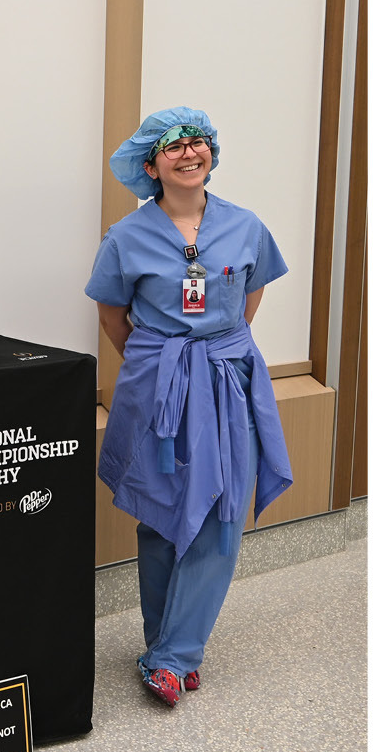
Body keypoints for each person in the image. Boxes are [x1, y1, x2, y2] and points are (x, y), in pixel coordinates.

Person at [88, 108, 290, 706]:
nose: (189, 152)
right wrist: (162, 364)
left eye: (199, 142)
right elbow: (110, 316)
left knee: (219, 516)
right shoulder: (126, 237)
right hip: (155, 384)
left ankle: (175, 655)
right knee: (158, 513)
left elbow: (250, 299)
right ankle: (163, 648)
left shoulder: (245, 226)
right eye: (173, 146)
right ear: (151, 165)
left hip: (225, 382)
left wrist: (211, 354)